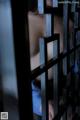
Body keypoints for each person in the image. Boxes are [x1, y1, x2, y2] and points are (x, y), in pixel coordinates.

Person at [28, 0, 74, 120]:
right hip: (34, 97)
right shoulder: (19, 22)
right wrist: (36, 100)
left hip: (66, 90)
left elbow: (73, 58)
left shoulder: (67, 22)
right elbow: (9, 72)